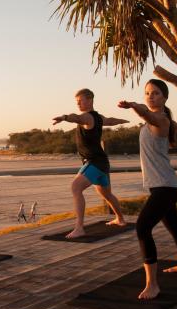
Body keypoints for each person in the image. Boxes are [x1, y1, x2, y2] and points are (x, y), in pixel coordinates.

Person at [118, 79, 177, 300]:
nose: (151, 96)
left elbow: (150, 117)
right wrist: (174, 124)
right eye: (147, 93)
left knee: (142, 228)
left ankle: (152, 285)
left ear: (165, 97)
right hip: (163, 186)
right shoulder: (164, 119)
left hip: (165, 187)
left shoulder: (158, 119)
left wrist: (134, 105)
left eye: (156, 93)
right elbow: (156, 119)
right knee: (174, 226)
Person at [52, 88, 129, 238]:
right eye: (77, 101)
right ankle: (120, 219)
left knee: (75, 187)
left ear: (90, 100)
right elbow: (110, 121)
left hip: (94, 162)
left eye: (80, 100)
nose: (78, 103)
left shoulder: (87, 117)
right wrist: (122, 121)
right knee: (107, 194)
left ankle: (79, 228)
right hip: (102, 163)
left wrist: (65, 117)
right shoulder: (98, 117)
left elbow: (77, 118)